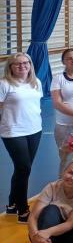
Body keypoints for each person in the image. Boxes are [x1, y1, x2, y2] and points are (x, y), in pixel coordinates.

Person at [1, 52, 44, 222]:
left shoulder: (36, 82)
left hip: (34, 129)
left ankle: (12, 203)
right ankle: (22, 209)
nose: (22, 66)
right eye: (18, 64)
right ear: (10, 67)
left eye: (26, 63)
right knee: (24, 168)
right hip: (13, 131)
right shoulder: (4, 84)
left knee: (22, 169)